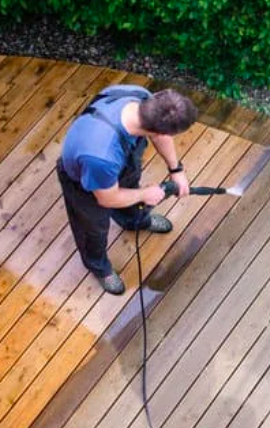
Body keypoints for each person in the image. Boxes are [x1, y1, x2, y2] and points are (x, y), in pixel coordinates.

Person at [57, 84, 198, 295]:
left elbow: (160, 136)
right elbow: (108, 198)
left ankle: (135, 221)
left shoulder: (143, 99)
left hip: (120, 166)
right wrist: (145, 194)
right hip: (87, 184)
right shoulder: (101, 155)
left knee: (132, 194)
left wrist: (176, 169)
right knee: (93, 230)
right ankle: (99, 267)